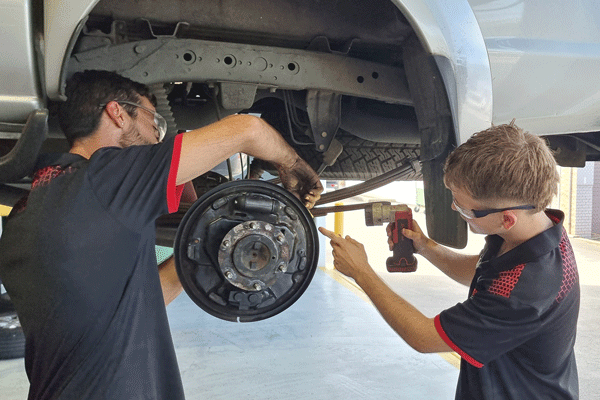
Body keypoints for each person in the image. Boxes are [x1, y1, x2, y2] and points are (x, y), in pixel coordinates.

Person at [0, 70, 323, 399]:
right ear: (117, 113)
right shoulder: (106, 176)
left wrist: (212, 244)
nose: (157, 134)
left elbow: (142, 297)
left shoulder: (25, 210)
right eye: (152, 119)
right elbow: (247, 129)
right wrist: (295, 166)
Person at [320, 122, 579, 399]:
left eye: (465, 208)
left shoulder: (525, 292)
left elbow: (423, 336)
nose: (456, 209)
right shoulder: (538, 231)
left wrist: (362, 272)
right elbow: (480, 273)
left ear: (507, 219)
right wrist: (426, 247)